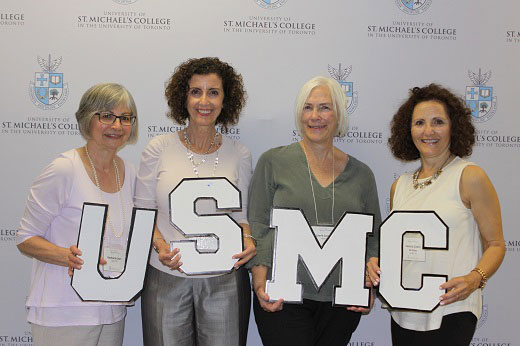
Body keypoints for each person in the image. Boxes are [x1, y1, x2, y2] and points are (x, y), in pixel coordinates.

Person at [367, 84, 505, 346]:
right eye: (419, 122)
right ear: (408, 130)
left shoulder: (470, 176)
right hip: (404, 311)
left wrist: (475, 279)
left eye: (438, 122)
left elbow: (496, 244)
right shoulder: (401, 185)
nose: (428, 131)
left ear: (454, 127)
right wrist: (376, 263)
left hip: (452, 309)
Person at [247, 76, 381, 346]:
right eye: (308, 108)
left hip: (341, 301)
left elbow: (373, 238)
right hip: (284, 295)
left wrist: (370, 287)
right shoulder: (273, 162)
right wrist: (259, 282)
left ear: (339, 115)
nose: (315, 116)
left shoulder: (362, 174)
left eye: (325, 108)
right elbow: (258, 224)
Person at [135, 57, 255, 346]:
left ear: (226, 100)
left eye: (213, 92)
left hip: (224, 280)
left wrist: (248, 240)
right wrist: (161, 247)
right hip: (166, 275)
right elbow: (142, 212)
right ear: (183, 98)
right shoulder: (159, 148)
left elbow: (242, 217)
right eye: (195, 92)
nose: (205, 101)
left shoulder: (239, 153)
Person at [17, 83, 139, 346]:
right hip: (64, 309)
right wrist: (65, 256)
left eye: (125, 118)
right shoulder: (64, 169)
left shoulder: (129, 173)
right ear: (87, 119)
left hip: (110, 309)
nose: (117, 126)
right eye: (106, 116)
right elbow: (26, 238)